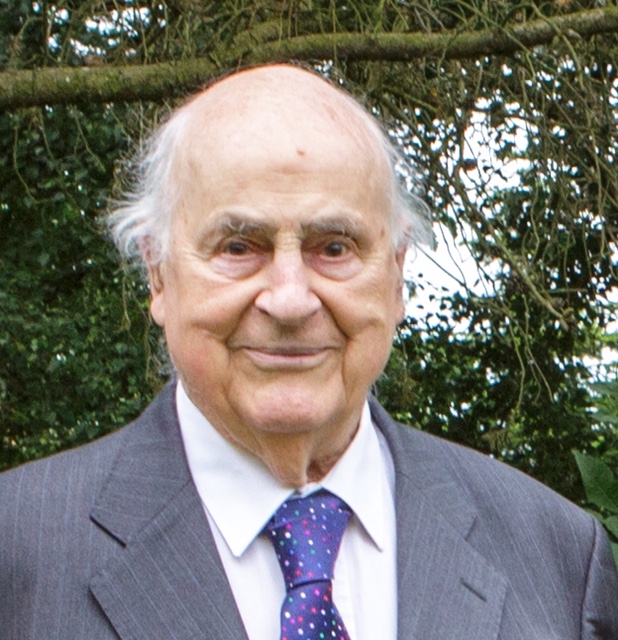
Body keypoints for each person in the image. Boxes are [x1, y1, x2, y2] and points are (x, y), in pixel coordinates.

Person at [0, 64, 616, 640]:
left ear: (397, 274)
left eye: (335, 247)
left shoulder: (558, 557)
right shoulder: (18, 549)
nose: (290, 300)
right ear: (157, 274)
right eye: (238, 247)